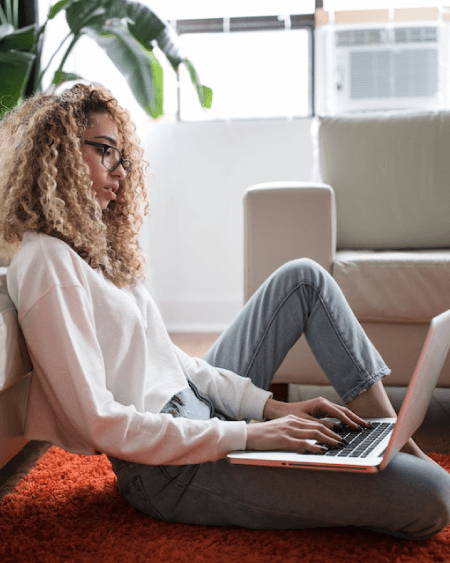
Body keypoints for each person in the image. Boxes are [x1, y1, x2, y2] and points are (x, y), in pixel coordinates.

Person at [0, 83, 449, 540]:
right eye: (106, 152)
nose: (119, 172)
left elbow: (174, 362)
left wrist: (267, 406)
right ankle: (398, 456)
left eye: (122, 156)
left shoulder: (98, 251)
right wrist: (248, 435)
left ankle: (392, 439)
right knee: (433, 497)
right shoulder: (46, 262)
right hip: (168, 470)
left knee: (302, 278)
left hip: (202, 413)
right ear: (58, 154)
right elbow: (98, 422)